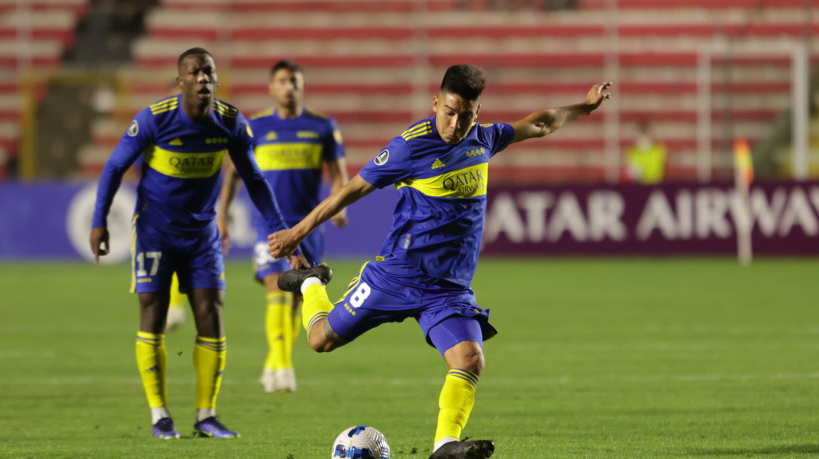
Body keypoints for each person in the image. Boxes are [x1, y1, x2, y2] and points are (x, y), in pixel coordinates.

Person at [268, 64, 611, 458]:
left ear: (477, 112)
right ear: (436, 103)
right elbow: (352, 189)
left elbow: (543, 123)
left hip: (448, 289)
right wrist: (297, 233)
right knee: (319, 340)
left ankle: (445, 444)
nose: (456, 123)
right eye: (449, 112)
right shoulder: (410, 146)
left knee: (470, 357)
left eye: (466, 115)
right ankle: (311, 282)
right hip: (397, 275)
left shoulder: (484, 139)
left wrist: (584, 107)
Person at [89, 47, 305, 440]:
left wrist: (282, 234)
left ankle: (206, 415)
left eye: (209, 72)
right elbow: (115, 166)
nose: (203, 78)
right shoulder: (154, 120)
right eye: (195, 73)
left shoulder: (230, 122)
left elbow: (255, 181)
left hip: (202, 234)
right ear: (180, 82)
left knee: (211, 313)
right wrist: (98, 221)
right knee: (152, 314)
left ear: (217, 81)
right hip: (155, 231)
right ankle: (160, 416)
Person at [218, 60, 349, 393]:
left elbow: (337, 171)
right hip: (269, 224)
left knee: (296, 298)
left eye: (294, 81)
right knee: (275, 287)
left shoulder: (321, 126)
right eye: (282, 81)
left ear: (302, 86)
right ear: (271, 88)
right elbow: (233, 173)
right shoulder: (255, 126)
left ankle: (275, 360)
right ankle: (284, 366)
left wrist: (339, 205)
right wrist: (222, 215)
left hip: (308, 226)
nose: (289, 86)